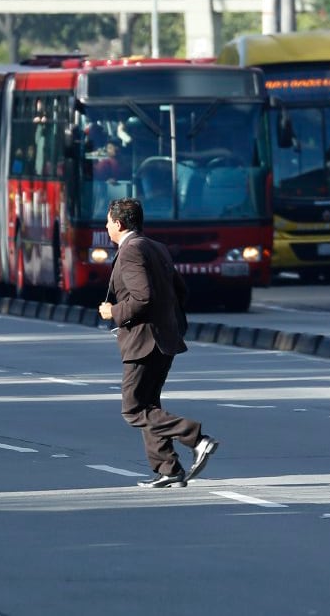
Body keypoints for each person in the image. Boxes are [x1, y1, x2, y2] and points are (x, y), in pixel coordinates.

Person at [97, 198, 218, 488]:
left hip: (145, 341)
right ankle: (168, 468)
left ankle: (196, 438)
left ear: (118, 223)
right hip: (164, 337)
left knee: (133, 409)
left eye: (107, 222)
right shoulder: (156, 247)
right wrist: (168, 321)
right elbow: (180, 290)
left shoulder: (131, 251)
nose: (105, 226)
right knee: (149, 404)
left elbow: (142, 297)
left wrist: (112, 312)